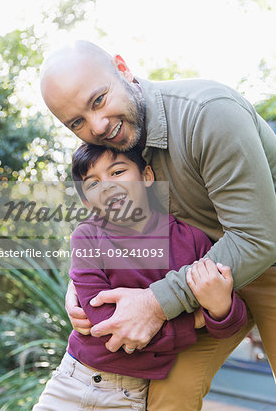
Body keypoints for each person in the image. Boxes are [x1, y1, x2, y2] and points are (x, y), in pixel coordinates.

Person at [40, 40, 276, 409]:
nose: (97, 126)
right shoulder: (121, 144)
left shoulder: (209, 113)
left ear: (123, 68)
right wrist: (84, 277)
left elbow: (258, 238)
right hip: (199, 275)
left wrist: (155, 302)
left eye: (98, 100)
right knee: (168, 397)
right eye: (77, 122)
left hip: (266, 260)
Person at [33, 143, 247, 410]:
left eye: (118, 171)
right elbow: (107, 325)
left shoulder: (191, 240)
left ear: (147, 176)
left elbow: (230, 322)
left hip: (132, 395)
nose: (108, 186)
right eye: (93, 183)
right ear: (86, 201)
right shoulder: (87, 237)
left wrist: (219, 307)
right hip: (73, 379)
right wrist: (192, 322)